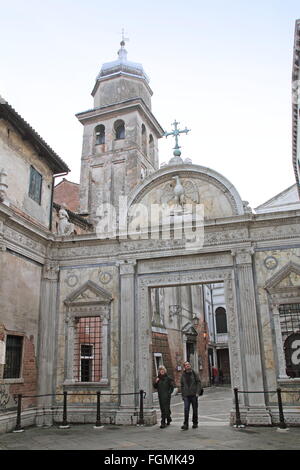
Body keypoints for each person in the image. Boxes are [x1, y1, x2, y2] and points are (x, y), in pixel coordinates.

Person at [180, 361, 202, 430]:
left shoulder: (194, 373)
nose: (187, 366)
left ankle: (195, 423)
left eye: (188, 364)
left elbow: (198, 382)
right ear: (184, 367)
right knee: (186, 409)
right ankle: (185, 424)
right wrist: (183, 395)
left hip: (194, 395)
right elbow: (182, 385)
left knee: (195, 409)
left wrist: (198, 392)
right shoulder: (183, 375)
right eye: (186, 365)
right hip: (186, 395)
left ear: (190, 365)